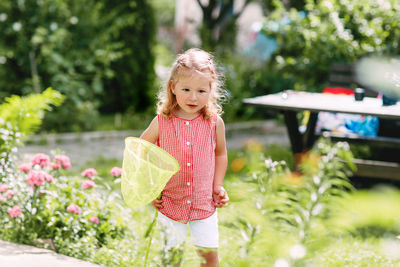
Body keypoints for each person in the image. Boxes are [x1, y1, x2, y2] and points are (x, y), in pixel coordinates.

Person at [140, 48, 229, 267]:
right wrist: (152, 187)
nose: (193, 97)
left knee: (209, 257)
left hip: (203, 202)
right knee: (172, 257)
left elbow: (221, 153)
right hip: (170, 203)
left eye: (201, 90)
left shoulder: (214, 123)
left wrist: (218, 186)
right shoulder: (162, 122)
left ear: (210, 89)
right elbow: (140, 150)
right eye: (186, 89)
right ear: (173, 87)